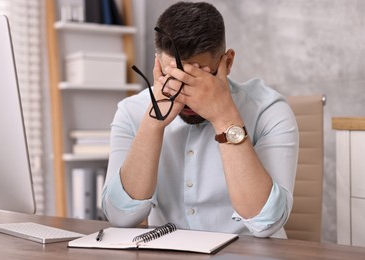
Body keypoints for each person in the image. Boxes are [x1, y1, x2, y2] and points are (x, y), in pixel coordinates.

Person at [102, 1, 298, 238]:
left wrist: (225, 117)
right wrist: (154, 123)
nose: (188, 96)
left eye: (200, 77)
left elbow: (266, 223)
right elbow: (120, 217)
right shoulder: (131, 111)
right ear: (158, 66)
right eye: (173, 76)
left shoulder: (269, 110)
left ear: (227, 63)